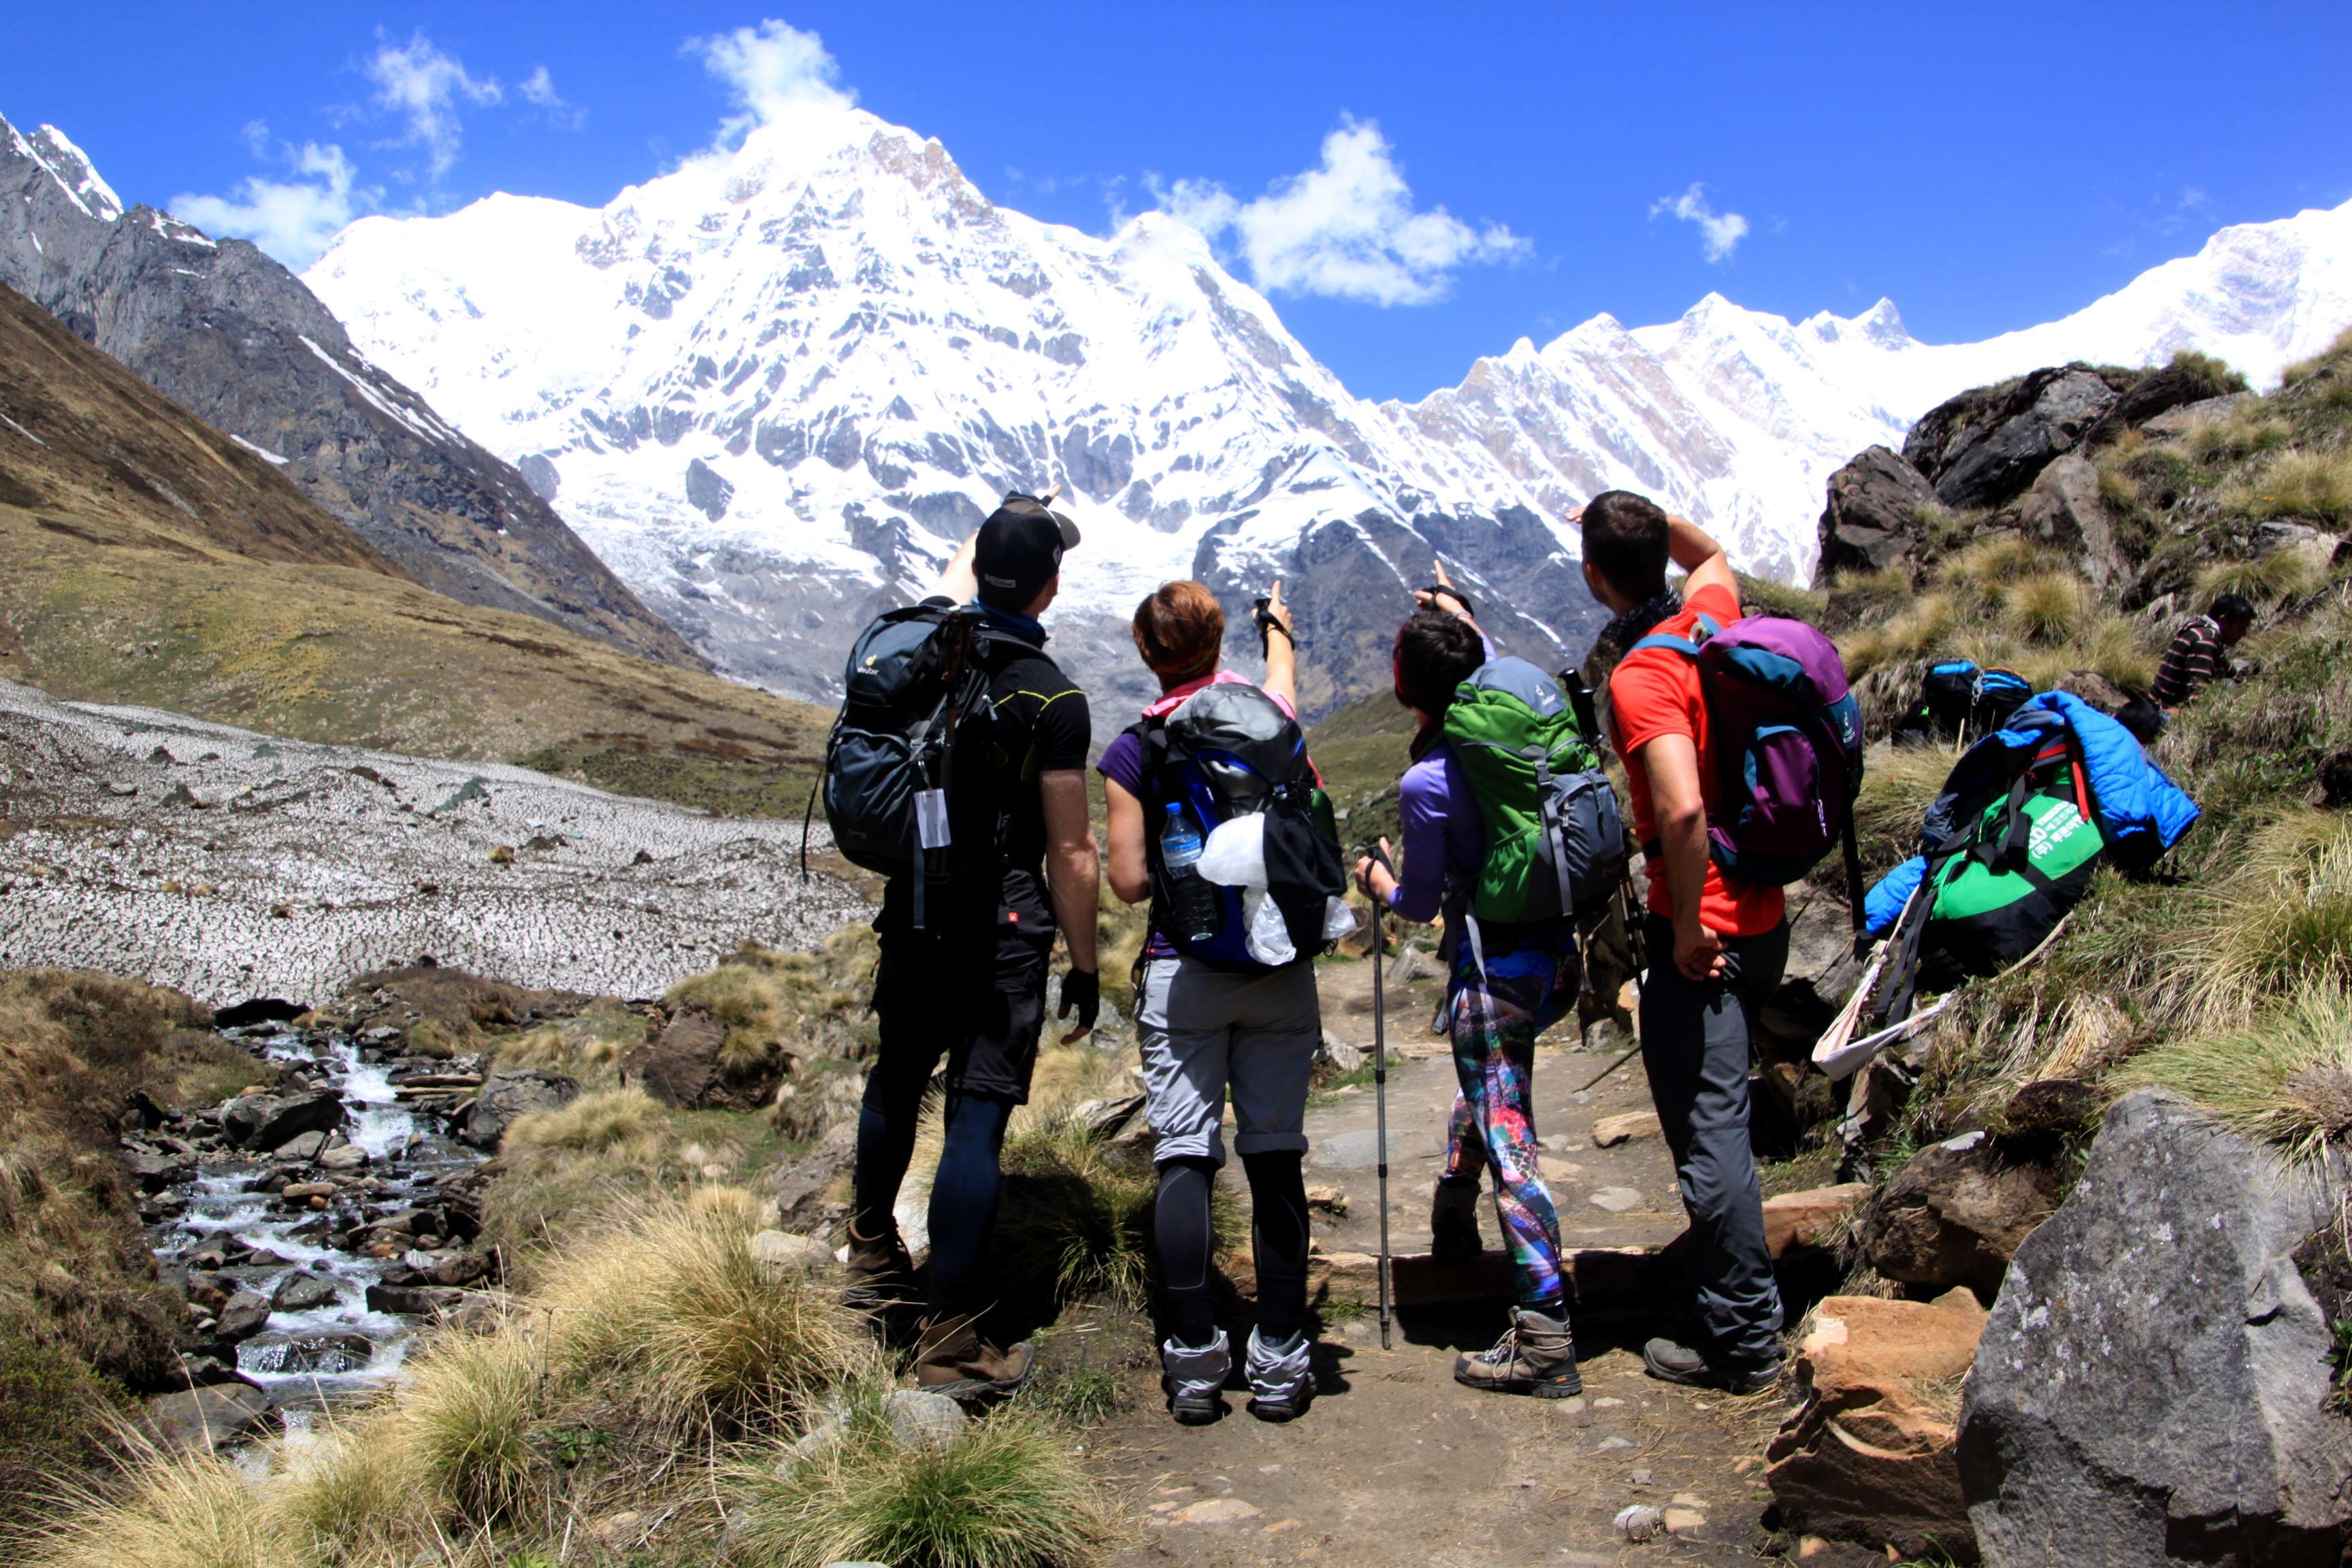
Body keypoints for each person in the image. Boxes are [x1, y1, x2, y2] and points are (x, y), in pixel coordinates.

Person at [840, 496, 1101, 1402]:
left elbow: (970, 577)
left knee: (898, 1078)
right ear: (1051, 584)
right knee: (975, 1119)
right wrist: (1089, 966)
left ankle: (872, 1262)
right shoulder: (1050, 696)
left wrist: (1001, 525)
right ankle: (951, 1343)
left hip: (913, 912)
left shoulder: (921, 655)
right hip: (1003, 932)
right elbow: (1071, 851)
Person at [1352, 578, 1584, 1399]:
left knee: (1513, 1144)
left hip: (1494, 979)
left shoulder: (1429, 785)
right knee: (1491, 1090)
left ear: (1406, 690)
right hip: (1559, 959)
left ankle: (1547, 1339)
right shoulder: (1510, 725)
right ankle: (1454, 1206)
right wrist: (1457, 615)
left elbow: (1417, 904)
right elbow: (1476, 654)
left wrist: (1378, 878)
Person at [1099, 579, 1321, 1424]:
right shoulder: (1269, 717)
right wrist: (1280, 632)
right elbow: (1283, 683)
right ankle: (1279, 1357)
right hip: (1278, 970)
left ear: (1147, 654)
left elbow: (1124, 881)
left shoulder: (1133, 748)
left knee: (1185, 1157)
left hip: (1182, 971)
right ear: (1216, 640)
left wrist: (1186, 878)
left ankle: (1194, 1363)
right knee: (1275, 1157)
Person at [1581, 489, 1785, 1394]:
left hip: (1703, 931)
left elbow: (1682, 808)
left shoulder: (1641, 675)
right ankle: (1732, 1297)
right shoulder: (1712, 616)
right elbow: (1712, 556)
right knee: (1724, 1125)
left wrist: (1693, 928)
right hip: (1768, 908)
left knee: (1709, 1139)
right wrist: (1661, 530)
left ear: (1595, 579)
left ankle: (1743, 1342)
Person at [2152, 593, 2255, 712]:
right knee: (2229, 687)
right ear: (2224, 621)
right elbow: (2199, 692)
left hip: (2157, 706)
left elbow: (2228, 670)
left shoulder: (2199, 630)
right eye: (2241, 627)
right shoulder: (2207, 641)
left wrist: (2247, 679)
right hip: (2165, 712)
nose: (2243, 634)